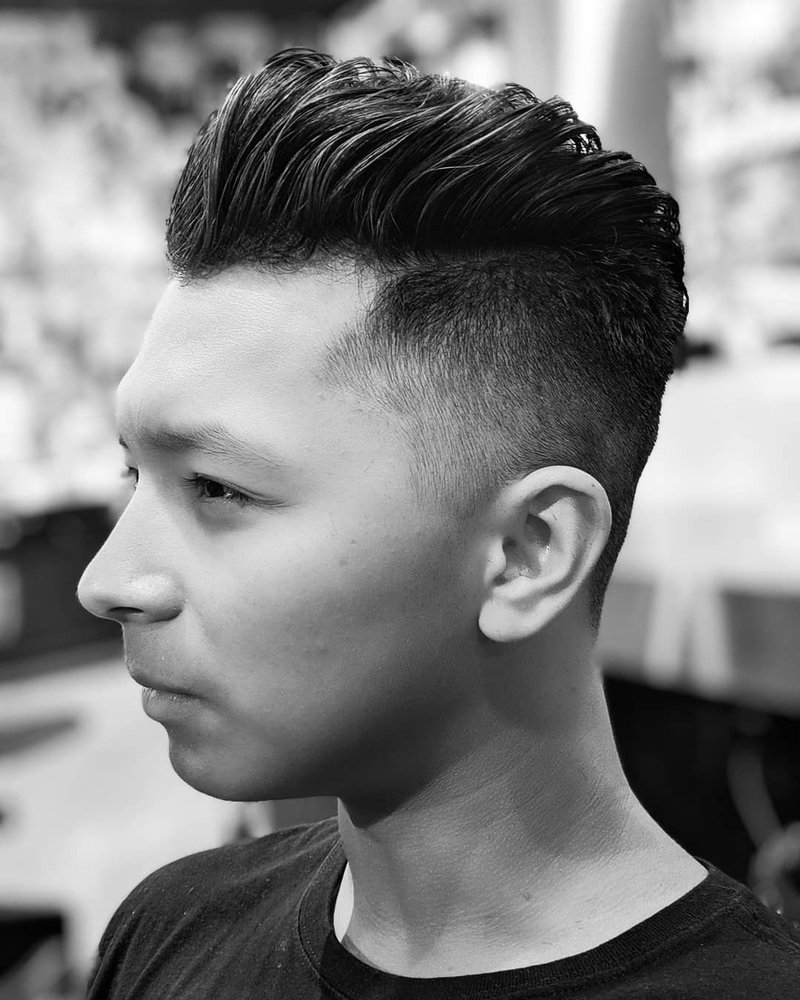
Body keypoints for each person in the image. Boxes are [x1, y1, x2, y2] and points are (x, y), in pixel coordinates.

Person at [77, 48, 800, 999]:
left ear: (528, 553)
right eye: (134, 474)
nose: (106, 582)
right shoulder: (166, 934)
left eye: (217, 489)